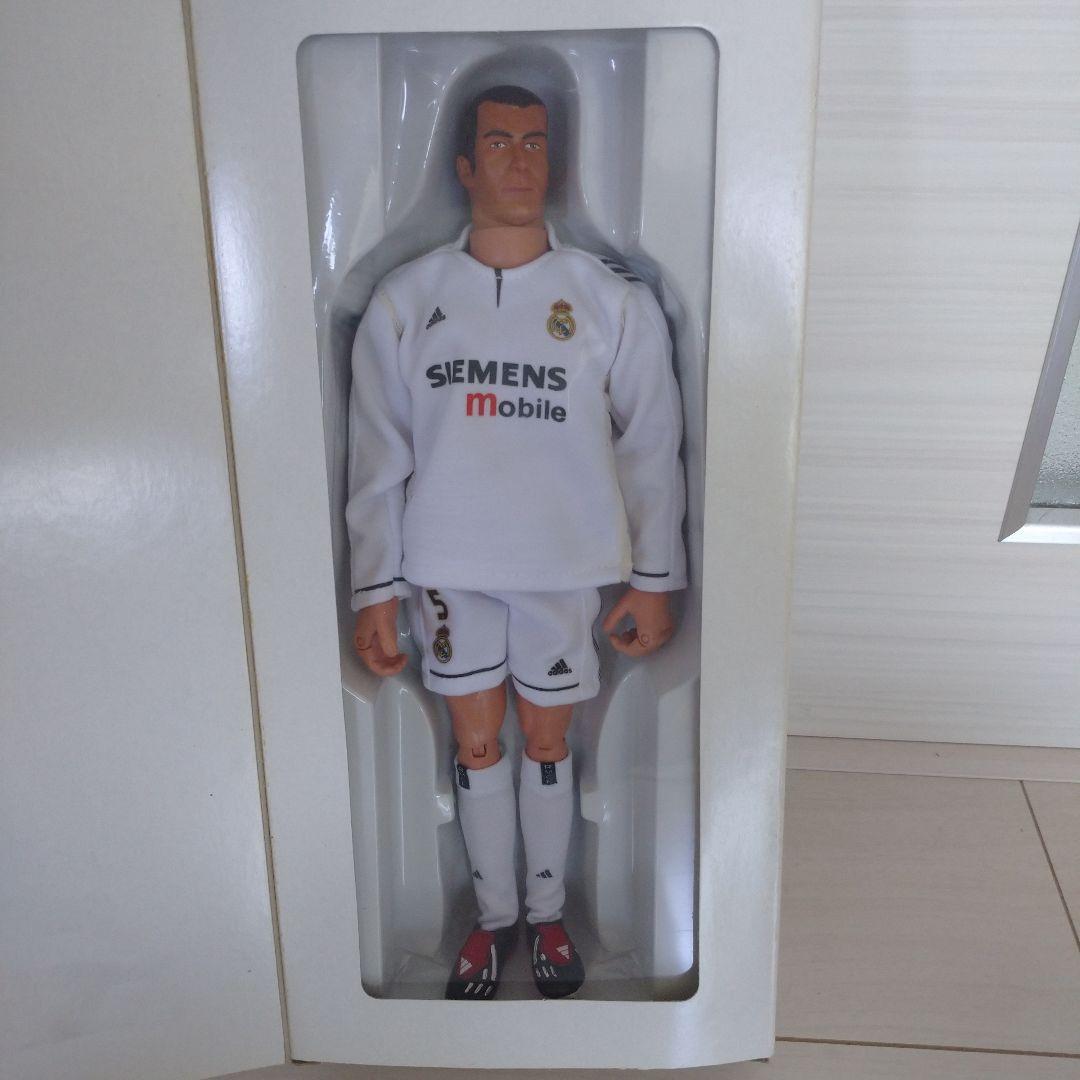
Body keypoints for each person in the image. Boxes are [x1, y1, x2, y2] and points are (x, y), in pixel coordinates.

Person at [346, 84, 686, 1000]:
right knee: (477, 743)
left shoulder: (609, 301)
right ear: (464, 166)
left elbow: (651, 446)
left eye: (535, 142)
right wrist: (374, 587)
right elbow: (378, 455)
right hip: (448, 568)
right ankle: (493, 920)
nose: (519, 159)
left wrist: (655, 577)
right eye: (498, 142)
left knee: (547, 739)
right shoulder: (407, 300)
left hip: (564, 566)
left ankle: (548, 914)